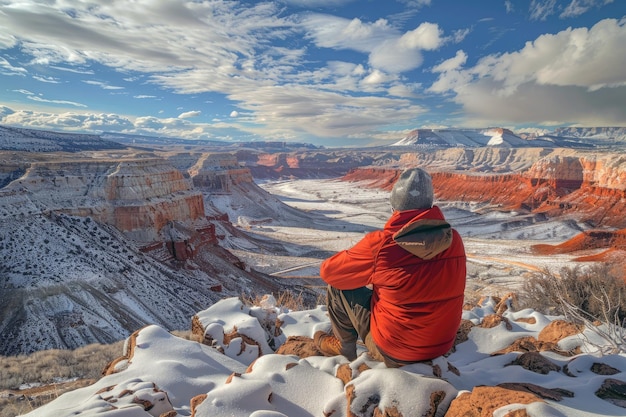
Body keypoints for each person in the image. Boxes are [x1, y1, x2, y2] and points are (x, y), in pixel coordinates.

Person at [314, 167, 466, 367]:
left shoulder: (381, 245)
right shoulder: (453, 239)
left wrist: (360, 257)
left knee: (338, 287)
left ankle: (344, 348)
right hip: (440, 347)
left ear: (394, 206)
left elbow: (330, 272)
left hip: (395, 352)